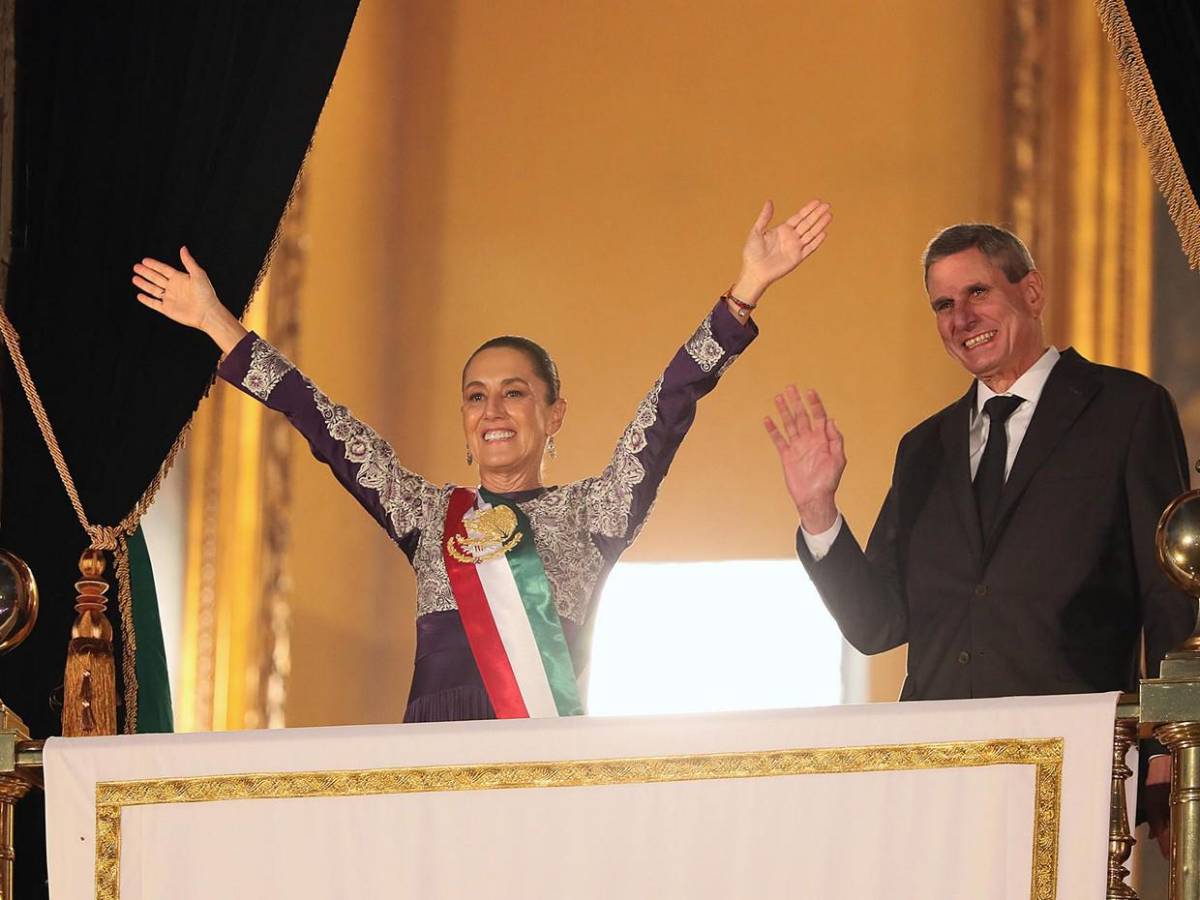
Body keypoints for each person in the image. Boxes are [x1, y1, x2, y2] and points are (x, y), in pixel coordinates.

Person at [133, 198, 832, 722]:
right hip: (432, 785)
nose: (493, 411)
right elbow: (324, 424)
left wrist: (744, 292)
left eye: (515, 393)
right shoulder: (430, 514)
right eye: (476, 397)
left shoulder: (594, 513)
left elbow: (667, 409)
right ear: (465, 423)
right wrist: (215, 322)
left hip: (545, 784)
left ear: (554, 415)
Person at [764, 222, 1192, 851]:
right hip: (938, 774)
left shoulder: (1127, 410)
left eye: (978, 294)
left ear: (1033, 292)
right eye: (943, 305)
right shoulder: (924, 448)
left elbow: (1168, 588)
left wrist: (1167, 747)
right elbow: (878, 624)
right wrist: (819, 511)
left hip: (1077, 763)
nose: (961, 318)